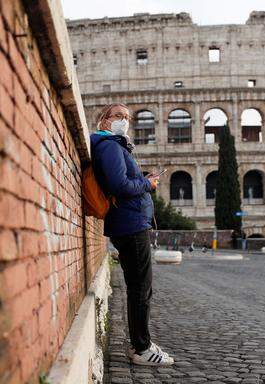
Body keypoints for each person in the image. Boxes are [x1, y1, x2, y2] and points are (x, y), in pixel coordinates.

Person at [90, 103, 174, 366]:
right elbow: (119, 185)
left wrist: (143, 179)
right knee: (141, 287)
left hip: (129, 221)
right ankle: (142, 348)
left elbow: (123, 182)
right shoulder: (109, 146)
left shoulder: (114, 145)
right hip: (129, 223)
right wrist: (146, 183)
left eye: (127, 117)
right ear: (104, 121)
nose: (124, 120)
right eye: (118, 116)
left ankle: (141, 343)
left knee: (140, 286)